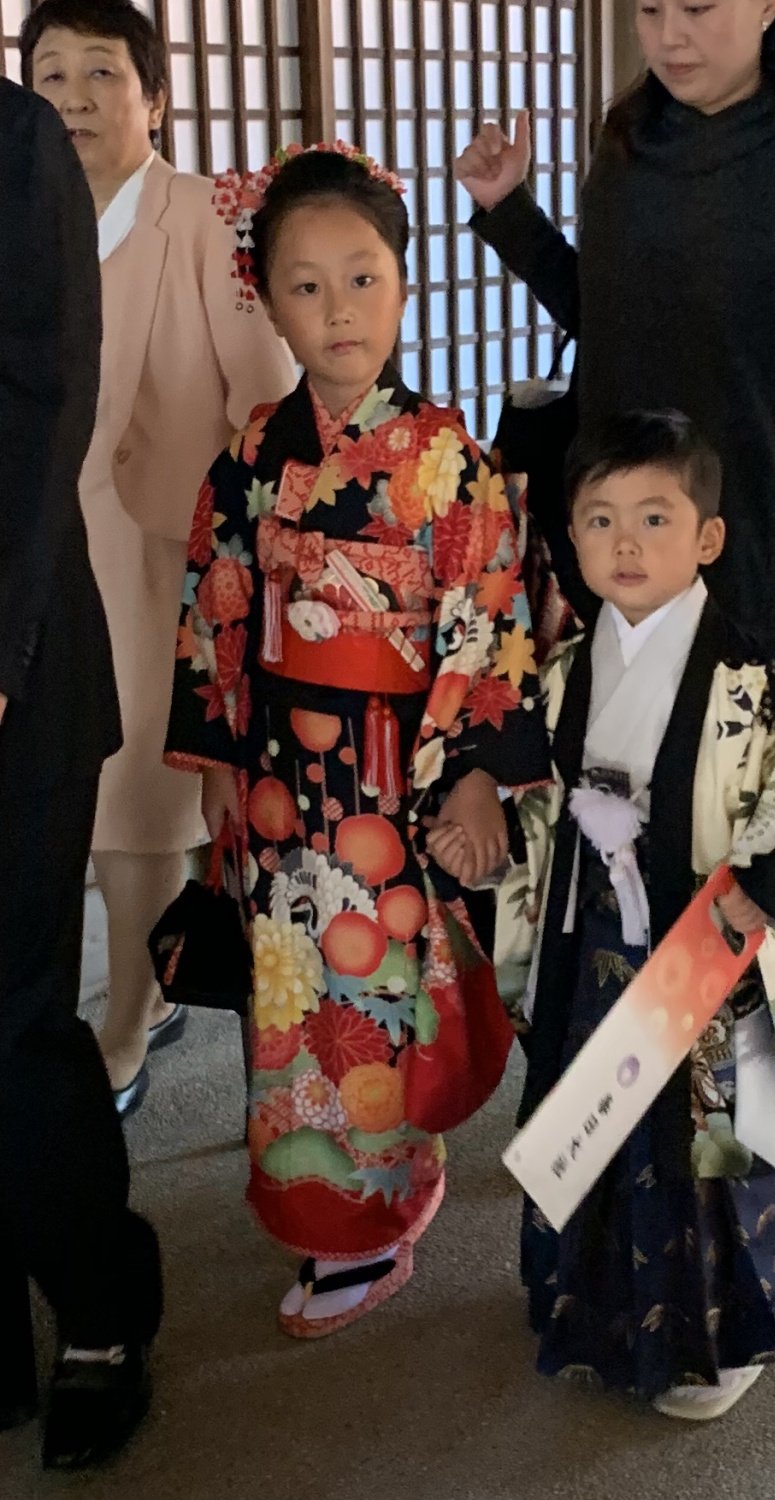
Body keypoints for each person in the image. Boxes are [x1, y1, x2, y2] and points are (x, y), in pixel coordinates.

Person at [164, 143, 550, 1338]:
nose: (339, 310)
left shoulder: (447, 462)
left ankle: (372, 1224)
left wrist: (475, 777)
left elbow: (489, 614)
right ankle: (315, 1202)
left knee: (378, 994)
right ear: (269, 303)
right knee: (291, 994)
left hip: (394, 775)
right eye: (307, 285)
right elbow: (216, 607)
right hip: (280, 782)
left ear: (403, 285)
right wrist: (220, 765)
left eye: (363, 278)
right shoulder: (250, 457)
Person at [452, 409, 775, 1418]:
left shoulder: (759, 681)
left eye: (654, 518)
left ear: (707, 538)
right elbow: (530, 798)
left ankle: (716, 1339)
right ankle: (595, 1310)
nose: (625, 543)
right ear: (571, 539)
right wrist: (488, 832)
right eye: (599, 520)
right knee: (593, 1123)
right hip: (594, 940)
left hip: (710, 942)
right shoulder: (562, 674)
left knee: (706, 1148)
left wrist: (760, 889)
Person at [21, 0, 295, 1114]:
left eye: (101, 73)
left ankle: (130, 1019)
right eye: (50, 74)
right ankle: (116, 993)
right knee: (55, 786)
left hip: (157, 548)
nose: (73, 98)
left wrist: (234, 561)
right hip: (37, 544)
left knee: (130, 796)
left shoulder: (207, 219)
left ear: (156, 100)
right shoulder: (20, 209)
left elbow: (267, 402)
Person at [456, 0, 775, 686]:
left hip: (748, 502)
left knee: (744, 727)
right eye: (651, 10)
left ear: (768, 6)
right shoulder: (627, 137)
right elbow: (604, 313)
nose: (669, 36)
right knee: (608, 727)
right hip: (617, 501)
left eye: (696, 7)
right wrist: (509, 210)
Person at [0, 78, 162, 1471]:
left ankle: (102, 1313)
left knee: (12, 1018)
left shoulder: (10, 143)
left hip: (16, 655)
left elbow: (45, 400)